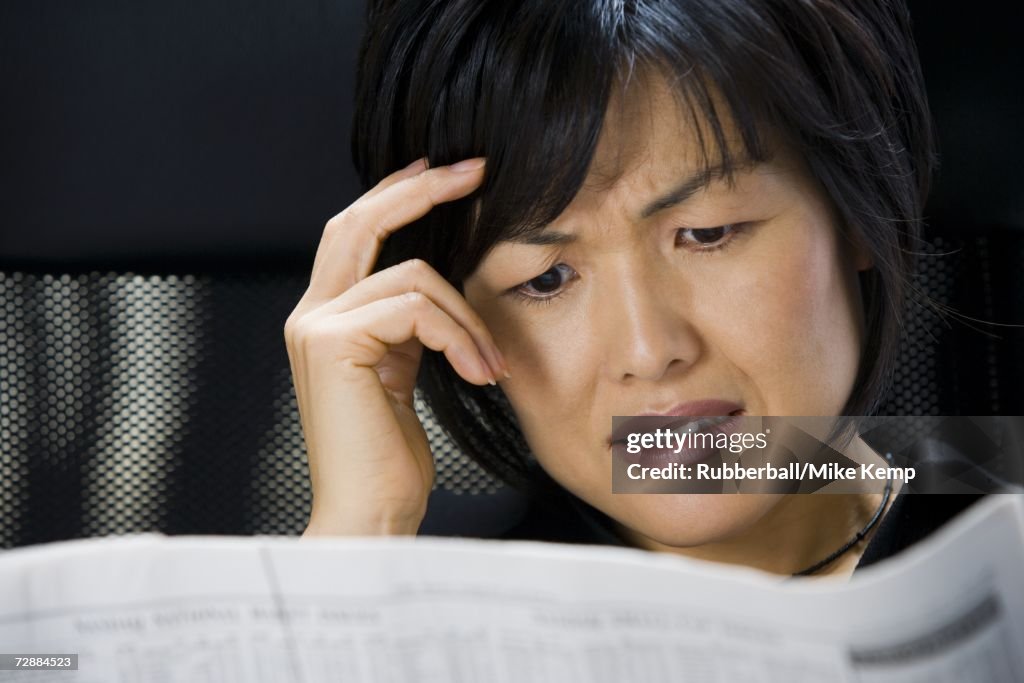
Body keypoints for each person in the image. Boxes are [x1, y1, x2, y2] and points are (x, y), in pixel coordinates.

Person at [286, 0, 979, 577]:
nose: (648, 351)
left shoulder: (995, 540)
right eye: (546, 279)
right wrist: (353, 546)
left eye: (708, 233)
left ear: (857, 210)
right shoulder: (437, 629)